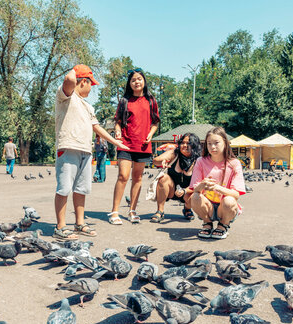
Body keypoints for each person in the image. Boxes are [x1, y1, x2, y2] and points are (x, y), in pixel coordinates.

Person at [54, 64, 129, 240]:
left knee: (82, 189)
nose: (91, 88)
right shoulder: (65, 96)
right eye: (90, 83)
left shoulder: (88, 106)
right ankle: (60, 226)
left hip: (86, 151)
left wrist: (115, 142)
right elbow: (69, 80)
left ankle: (79, 223)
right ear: (83, 82)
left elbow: (96, 127)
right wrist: (78, 69)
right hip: (68, 147)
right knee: (64, 188)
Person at [108, 68, 160, 225]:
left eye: (139, 79)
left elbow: (155, 122)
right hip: (125, 143)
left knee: (137, 178)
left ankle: (132, 210)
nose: (136, 82)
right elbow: (117, 121)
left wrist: (151, 134)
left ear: (144, 81)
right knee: (123, 176)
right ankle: (115, 212)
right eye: (133, 80)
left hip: (143, 145)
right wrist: (117, 132)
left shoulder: (151, 101)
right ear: (129, 84)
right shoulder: (124, 101)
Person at [189, 127, 245, 240]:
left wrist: (217, 187)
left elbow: (236, 195)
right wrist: (202, 185)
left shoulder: (234, 163)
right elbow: (195, 188)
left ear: (225, 142)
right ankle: (207, 223)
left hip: (225, 208)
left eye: (216, 143)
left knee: (229, 200)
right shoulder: (200, 161)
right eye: (209, 144)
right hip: (207, 205)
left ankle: (223, 225)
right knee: (194, 197)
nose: (212, 147)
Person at [150, 133, 201, 223]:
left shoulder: (199, 160)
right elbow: (155, 161)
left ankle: (187, 209)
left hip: (188, 192)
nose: (185, 145)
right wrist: (163, 161)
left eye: (188, 143)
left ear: (194, 145)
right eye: (183, 143)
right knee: (163, 178)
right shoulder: (174, 153)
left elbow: (198, 184)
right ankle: (160, 211)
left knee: (195, 193)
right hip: (171, 191)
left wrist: (185, 191)